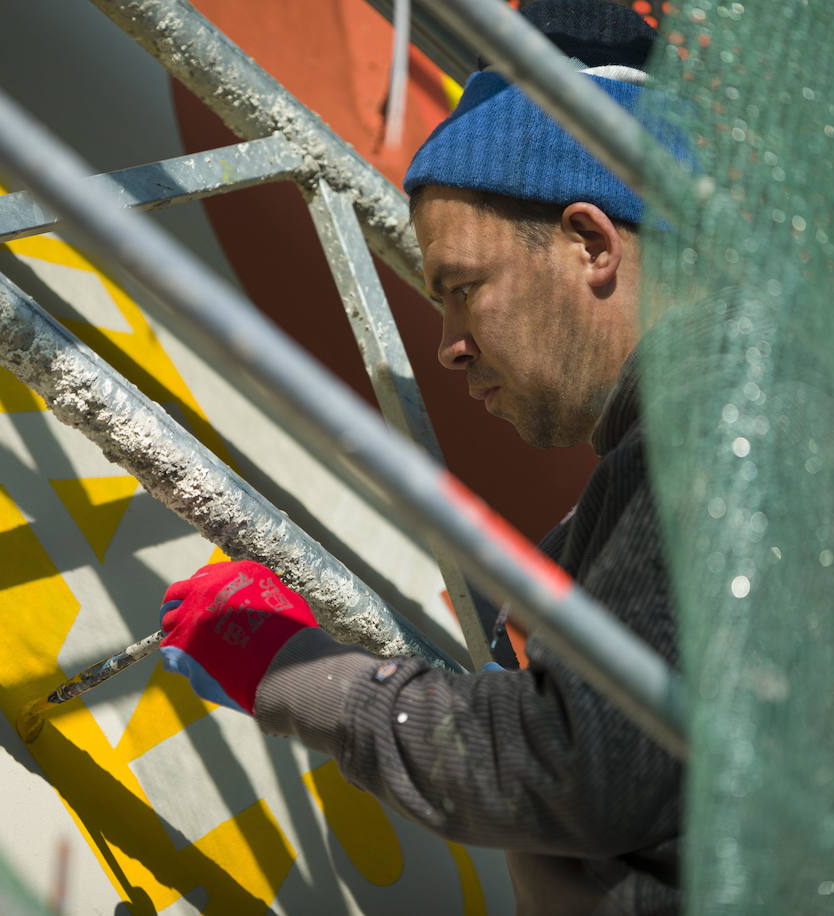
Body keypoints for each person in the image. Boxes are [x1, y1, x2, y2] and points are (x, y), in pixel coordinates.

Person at [156, 2, 681, 912]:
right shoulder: (717, 441)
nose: (448, 347)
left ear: (591, 244)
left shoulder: (711, 434)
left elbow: (572, 767)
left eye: (464, 289)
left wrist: (297, 674)